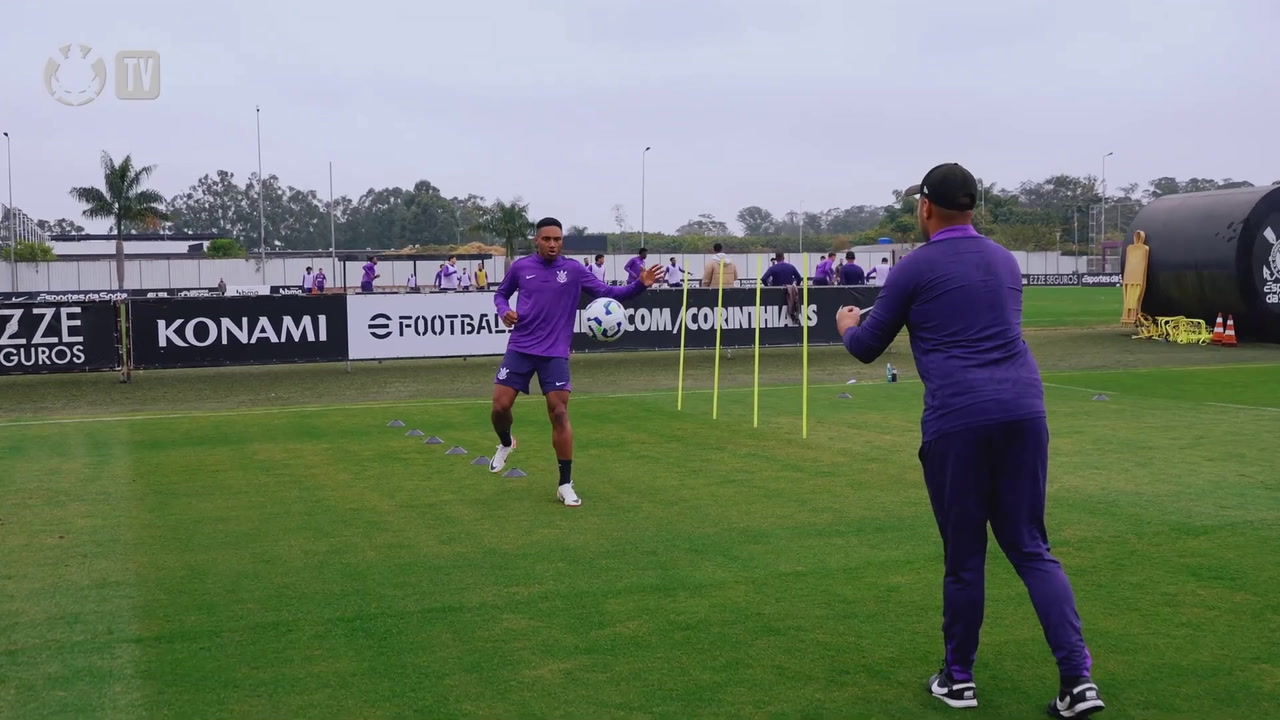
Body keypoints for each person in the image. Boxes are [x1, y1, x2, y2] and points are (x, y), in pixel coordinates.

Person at [836, 163, 1105, 718]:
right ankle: (1078, 681)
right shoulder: (1004, 260)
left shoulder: (914, 267)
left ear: (926, 207)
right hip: (1025, 412)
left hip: (959, 420)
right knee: (1031, 548)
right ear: (974, 208)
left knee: (965, 558)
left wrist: (843, 324)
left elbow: (866, 346)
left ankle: (959, 678)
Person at [489, 217, 666, 507]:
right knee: (499, 407)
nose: (552, 244)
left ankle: (564, 484)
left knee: (559, 413)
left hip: (555, 351)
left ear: (562, 241)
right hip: (520, 347)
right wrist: (504, 310)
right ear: (537, 240)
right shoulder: (521, 267)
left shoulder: (573, 270)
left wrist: (640, 285)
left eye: (557, 239)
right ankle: (507, 442)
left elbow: (609, 293)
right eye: (546, 239)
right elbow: (500, 294)